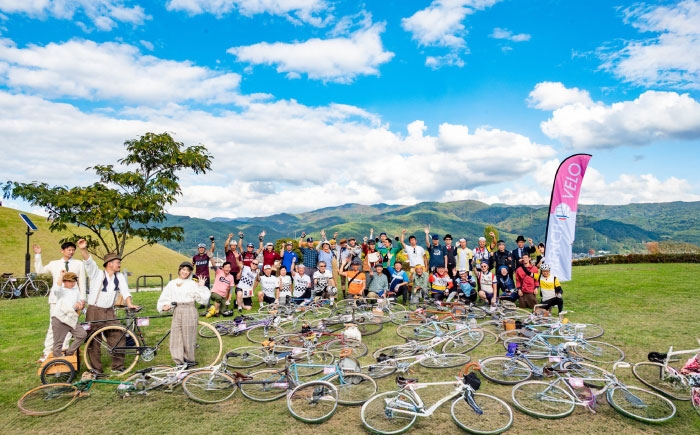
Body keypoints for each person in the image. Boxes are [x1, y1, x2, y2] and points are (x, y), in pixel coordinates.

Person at [78, 238, 138, 376]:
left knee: (118, 335)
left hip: (110, 311)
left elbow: (125, 291)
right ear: (110, 264)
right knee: (93, 340)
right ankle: (96, 369)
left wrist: (129, 304)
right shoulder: (97, 274)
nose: (119, 264)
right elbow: (89, 262)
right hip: (94, 310)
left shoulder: (119, 277)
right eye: (117, 262)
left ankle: (117, 366)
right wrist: (83, 249)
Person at [33, 241, 87, 363]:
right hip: (56, 300)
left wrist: (82, 299)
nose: (71, 252)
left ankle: (64, 351)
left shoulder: (79, 264)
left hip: (72, 302)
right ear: (62, 251)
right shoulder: (54, 264)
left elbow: (82, 282)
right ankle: (47, 352)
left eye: (73, 250)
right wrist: (38, 255)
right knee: (53, 327)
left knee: (69, 326)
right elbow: (40, 271)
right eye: (68, 250)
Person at [157, 262, 210, 367]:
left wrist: (201, 287)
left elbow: (202, 300)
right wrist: (165, 305)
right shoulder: (172, 283)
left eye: (188, 271)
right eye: (183, 269)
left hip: (189, 309)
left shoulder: (192, 284)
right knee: (176, 336)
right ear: (179, 270)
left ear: (190, 273)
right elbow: (166, 296)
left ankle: (189, 359)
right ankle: (179, 361)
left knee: (188, 336)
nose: (185, 272)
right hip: (178, 310)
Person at [50, 271, 87, 359]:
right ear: (64, 281)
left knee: (82, 334)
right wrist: (61, 276)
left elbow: (79, 303)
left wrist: (80, 305)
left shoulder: (76, 291)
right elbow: (57, 289)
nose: (72, 283)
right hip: (60, 319)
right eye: (70, 281)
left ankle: (69, 353)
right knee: (58, 343)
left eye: (74, 281)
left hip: (71, 319)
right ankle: (58, 361)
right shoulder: (61, 291)